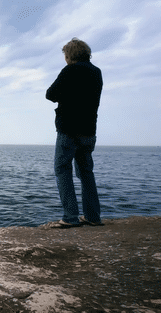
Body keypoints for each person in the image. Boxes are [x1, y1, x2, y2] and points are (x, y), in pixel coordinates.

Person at [45, 37, 103, 228]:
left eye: (65, 55)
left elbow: (50, 94)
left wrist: (67, 95)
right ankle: (93, 217)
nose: (65, 59)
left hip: (69, 129)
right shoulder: (97, 72)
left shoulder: (70, 70)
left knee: (62, 170)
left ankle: (70, 217)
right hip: (89, 131)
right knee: (86, 172)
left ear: (70, 55)